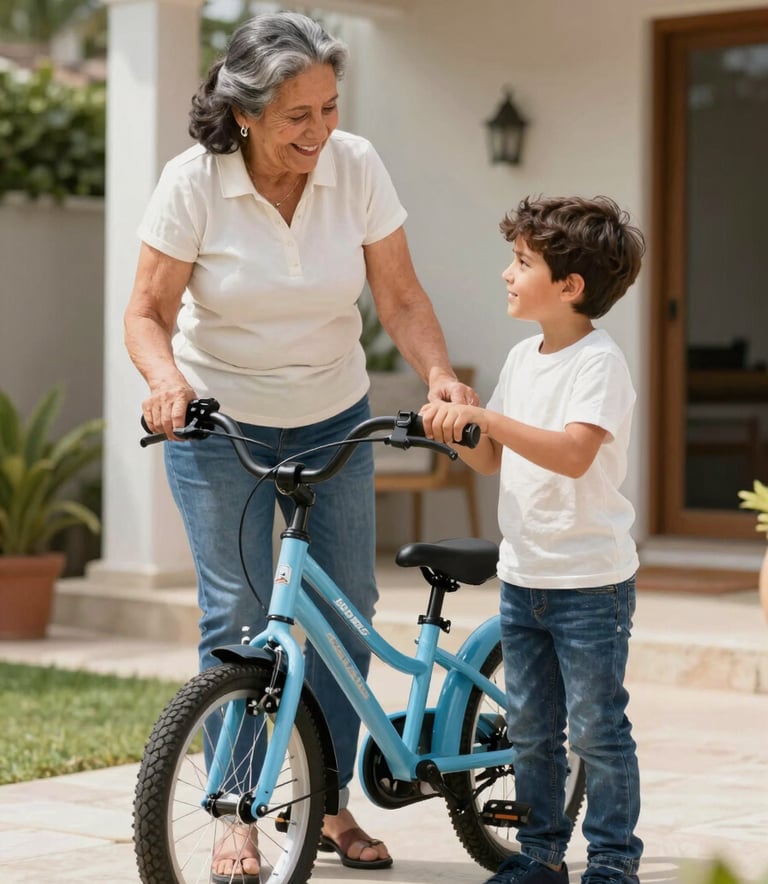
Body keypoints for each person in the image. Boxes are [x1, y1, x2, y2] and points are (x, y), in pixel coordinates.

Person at [123, 10, 478, 882]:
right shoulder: (193, 182)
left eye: (329, 106)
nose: (321, 130)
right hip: (220, 421)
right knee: (240, 622)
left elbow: (397, 295)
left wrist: (438, 373)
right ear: (243, 113)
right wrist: (166, 382)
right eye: (297, 116)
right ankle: (236, 814)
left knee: (349, 612)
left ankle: (324, 805)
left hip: (333, 411)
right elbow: (147, 312)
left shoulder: (354, 165)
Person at [420, 195, 645, 884]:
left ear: (570, 287)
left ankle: (612, 862)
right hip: (525, 575)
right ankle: (541, 858)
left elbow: (574, 453)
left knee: (597, 733)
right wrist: (464, 434)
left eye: (521, 262)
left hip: (589, 583)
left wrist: (490, 419)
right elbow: (496, 459)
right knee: (531, 733)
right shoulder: (523, 358)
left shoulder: (599, 365)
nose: (506, 274)